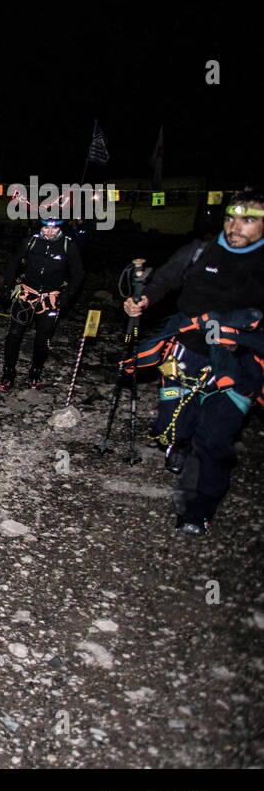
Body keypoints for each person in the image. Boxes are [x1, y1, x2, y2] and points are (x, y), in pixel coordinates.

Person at [122, 189, 264, 535]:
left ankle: (196, 510)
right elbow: (165, 280)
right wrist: (142, 300)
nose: (235, 226)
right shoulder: (200, 251)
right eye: (231, 217)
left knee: (213, 437)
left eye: (248, 220)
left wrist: (240, 337)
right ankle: (179, 444)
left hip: (238, 365)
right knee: (172, 425)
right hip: (185, 353)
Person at [0, 215, 84, 391]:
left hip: (50, 299)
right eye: (46, 228)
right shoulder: (30, 242)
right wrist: (6, 288)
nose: (49, 232)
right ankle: (8, 375)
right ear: (41, 227)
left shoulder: (69, 246)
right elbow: (13, 264)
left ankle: (35, 374)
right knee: (13, 335)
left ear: (60, 228)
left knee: (42, 340)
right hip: (27, 295)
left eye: (54, 229)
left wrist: (65, 298)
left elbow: (78, 275)